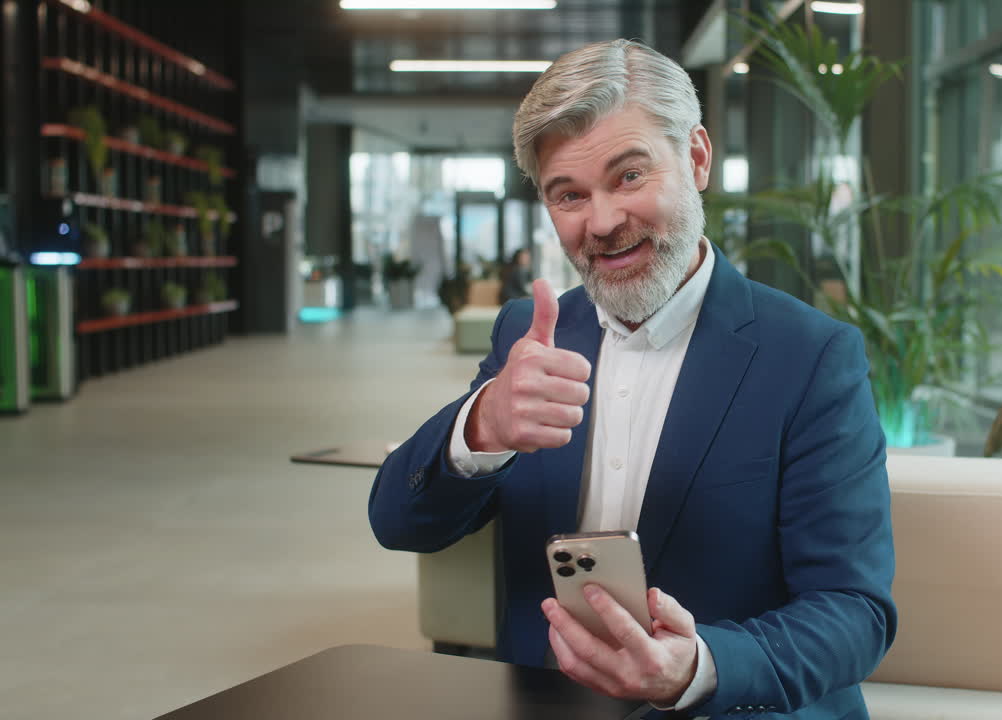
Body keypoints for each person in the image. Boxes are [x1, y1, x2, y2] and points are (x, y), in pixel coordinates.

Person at [369, 39, 895, 719]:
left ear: (696, 158)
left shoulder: (811, 356)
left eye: (629, 176)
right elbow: (399, 523)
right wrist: (484, 424)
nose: (604, 222)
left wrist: (698, 668)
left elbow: (854, 612)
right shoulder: (530, 336)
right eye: (569, 195)